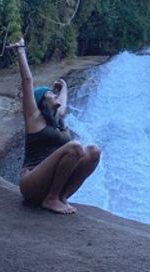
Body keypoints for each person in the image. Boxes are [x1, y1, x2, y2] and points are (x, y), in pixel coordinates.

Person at [9, 38, 100, 214]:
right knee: (74, 147)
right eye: (51, 93)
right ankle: (51, 199)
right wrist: (21, 50)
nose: (55, 96)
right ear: (42, 100)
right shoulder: (34, 118)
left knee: (93, 151)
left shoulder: (57, 119)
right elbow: (27, 80)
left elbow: (62, 103)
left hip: (49, 183)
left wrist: (64, 86)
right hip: (32, 182)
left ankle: (61, 197)